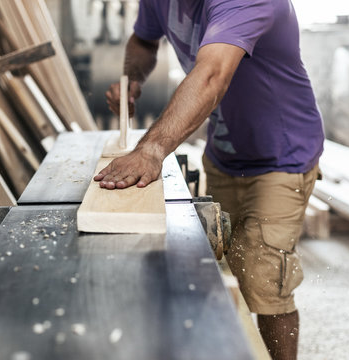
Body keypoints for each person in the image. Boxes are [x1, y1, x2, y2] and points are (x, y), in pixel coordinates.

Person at [96, 0, 324, 359]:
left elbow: (212, 76)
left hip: (282, 156)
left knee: (264, 281)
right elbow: (143, 40)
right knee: (223, 269)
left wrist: (152, 150)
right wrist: (132, 80)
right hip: (224, 153)